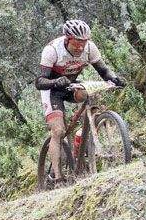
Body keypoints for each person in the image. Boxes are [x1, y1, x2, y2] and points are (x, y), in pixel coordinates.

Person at [35, 19, 126, 185]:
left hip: (71, 86)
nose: (80, 48)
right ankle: (57, 176)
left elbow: (103, 71)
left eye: (83, 43)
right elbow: (39, 82)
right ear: (67, 39)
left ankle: (83, 137)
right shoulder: (52, 50)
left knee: (92, 95)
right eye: (76, 44)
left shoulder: (90, 47)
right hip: (52, 90)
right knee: (58, 131)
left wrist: (114, 79)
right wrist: (55, 82)